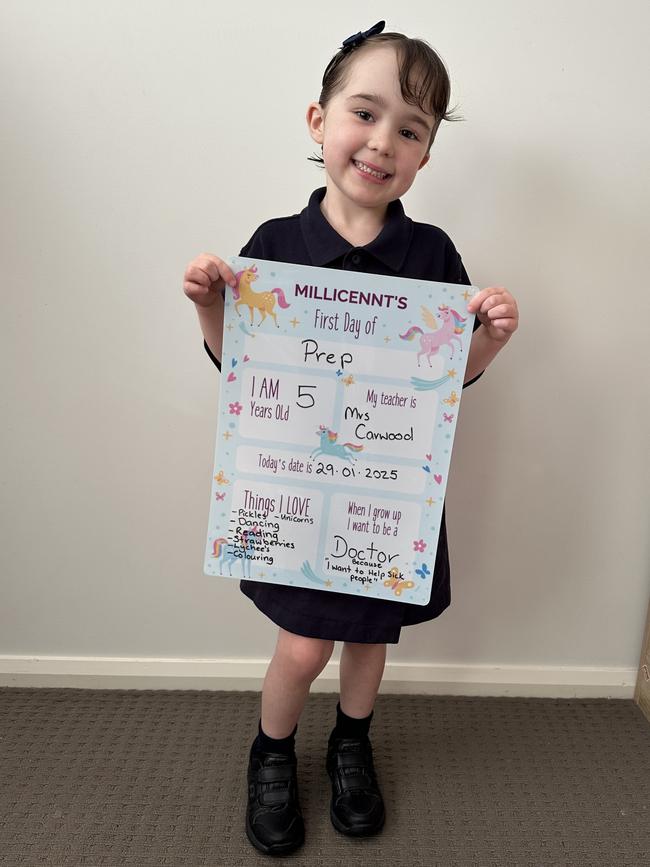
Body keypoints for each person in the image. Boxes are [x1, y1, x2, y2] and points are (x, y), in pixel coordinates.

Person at [183, 21, 519, 857]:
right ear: (317, 120)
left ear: (426, 155)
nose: (381, 142)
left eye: (410, 130)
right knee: (302, 646)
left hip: (387, 499)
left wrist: (488, 340)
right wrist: (208, 305)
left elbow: (447, 380)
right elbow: (240, 369)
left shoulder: (434, 255)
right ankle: (271, 752)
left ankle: (351, 742)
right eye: (364, 114)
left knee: (370, 640)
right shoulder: (273, 249)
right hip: (296, 496)